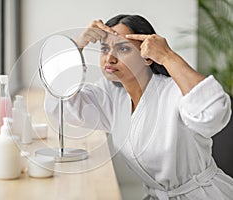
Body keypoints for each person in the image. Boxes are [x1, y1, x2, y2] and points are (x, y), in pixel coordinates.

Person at [45, 14, 233, 199]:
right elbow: (61, 106)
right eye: (104, 48)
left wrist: (167, 56)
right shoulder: (112, 95)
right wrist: (79, 43)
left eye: (123, 49)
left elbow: (214, 113)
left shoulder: (174, 92)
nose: (109, 58)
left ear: (147, 57)